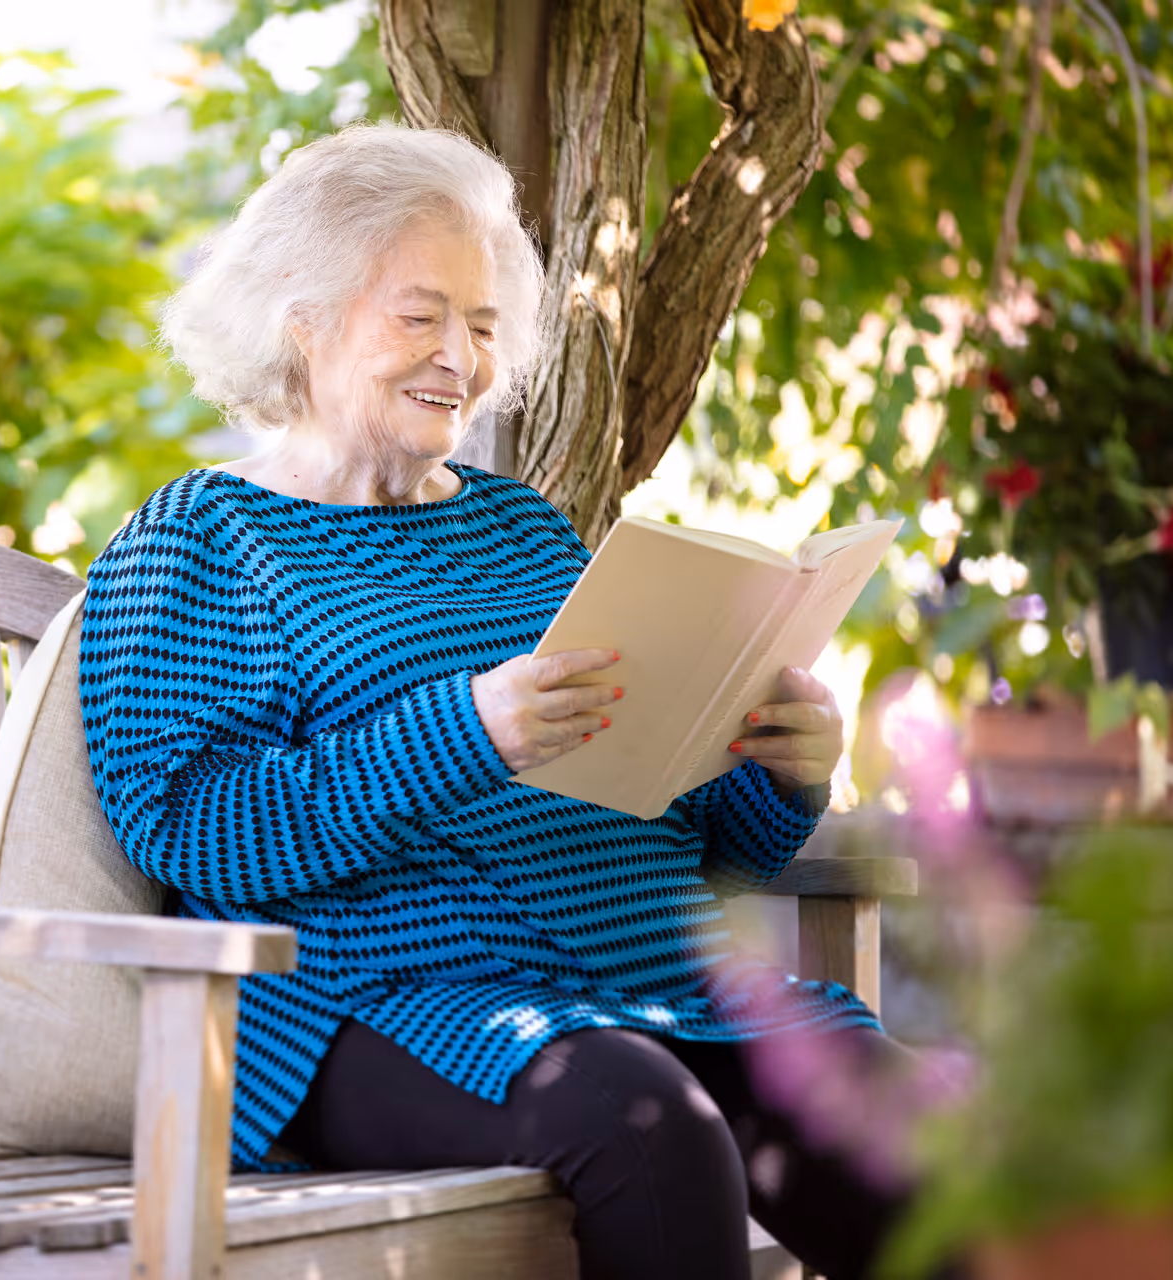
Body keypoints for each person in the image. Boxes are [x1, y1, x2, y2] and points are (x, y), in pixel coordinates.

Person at [79, 123, 960, 1280]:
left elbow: (683, 835)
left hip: (650, 976)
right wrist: (466, 732)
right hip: (384, 1000)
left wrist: (780, 770)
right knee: (654, 1137)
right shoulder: (204, 535)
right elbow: (185, 819)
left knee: (922, 1145)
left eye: (485, 325)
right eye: (421, 314)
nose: (461, 355)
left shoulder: (521, 528)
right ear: (303, 318)